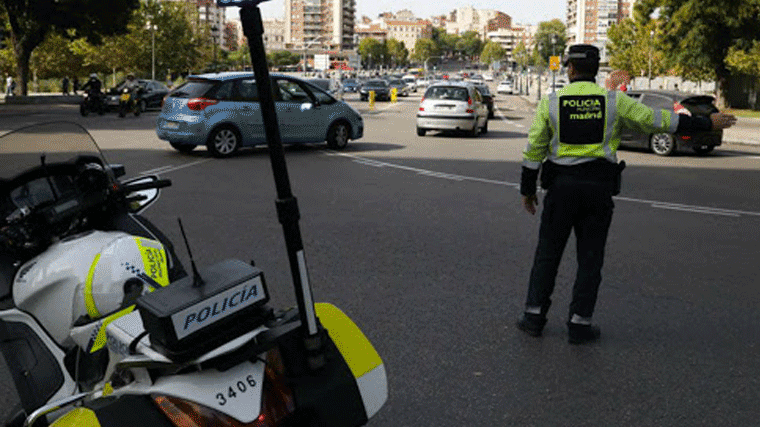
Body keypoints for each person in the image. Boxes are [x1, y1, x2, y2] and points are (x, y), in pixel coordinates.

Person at [516, 44, 737, 344]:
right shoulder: (614, 101)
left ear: (570, 69)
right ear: (596, 70)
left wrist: (527, 190)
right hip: (597, 191)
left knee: (547, 254)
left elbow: (534, 150)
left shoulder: (551, 103)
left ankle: (533, 318)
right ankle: (579, 325)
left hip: (561, 190)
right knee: (590, 259)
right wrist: (705, 122)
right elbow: (658, 120)